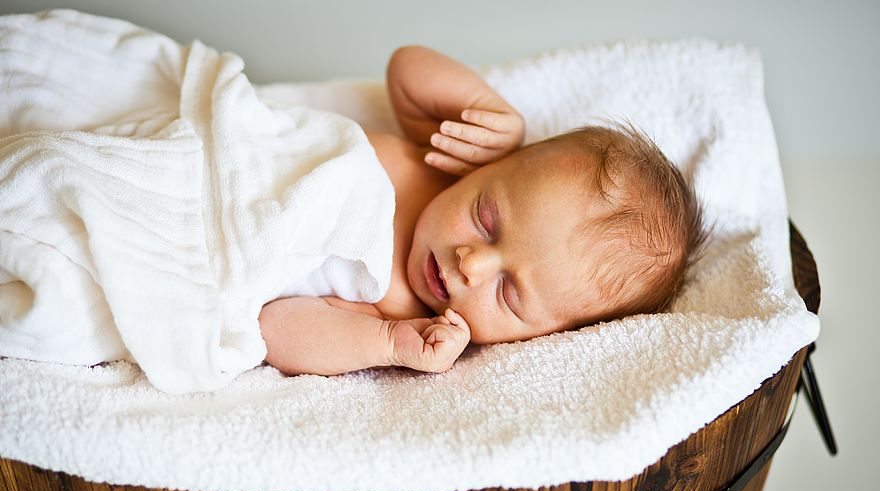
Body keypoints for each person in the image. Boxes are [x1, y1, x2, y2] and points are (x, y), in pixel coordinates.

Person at [258, 46, 708, 376]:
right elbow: (405, 68)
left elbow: (275, 329)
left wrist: (389, 344)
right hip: (244, 145)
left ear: (541, 337)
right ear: (497, 164)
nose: (471, 263)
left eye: (508, 293)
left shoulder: (405, 314)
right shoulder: (444, 165)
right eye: (487, 219)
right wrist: (487, 111)